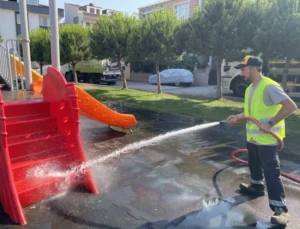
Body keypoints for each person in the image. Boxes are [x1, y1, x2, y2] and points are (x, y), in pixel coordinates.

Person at [226, 55, 297, 226]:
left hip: (267, 140)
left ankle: (280, 210)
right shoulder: (251, 88)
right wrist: (238, 116)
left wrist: (271, 123)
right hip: (253, 138)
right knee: (254, 164)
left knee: (271, 172)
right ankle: (257, 187)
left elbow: (291, 106)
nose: (241, 72)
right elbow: (251, 114)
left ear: (254, 68)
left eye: (243, 69)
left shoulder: (269, 86)